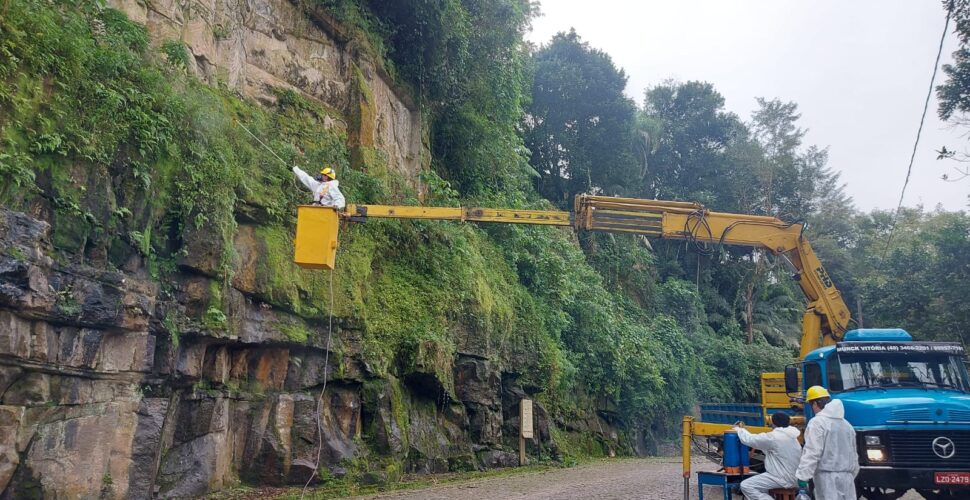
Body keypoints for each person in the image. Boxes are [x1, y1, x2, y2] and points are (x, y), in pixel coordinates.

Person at [794, 386, 859, 500]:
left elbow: (812, 452)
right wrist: (850, 474)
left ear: (815, 404)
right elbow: (854, 454)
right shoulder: (847, 425)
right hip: (847, 477)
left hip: (826, 478)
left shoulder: (817, 422)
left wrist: (803, 476)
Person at [732, 412, 802, 500]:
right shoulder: (793, 437)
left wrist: (740, 430)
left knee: (746, 485)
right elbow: (771, 449)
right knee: (760, 486)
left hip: (782, 478)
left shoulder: (774, 437)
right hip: (795, 477)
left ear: (774, 423)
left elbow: (750, 439)